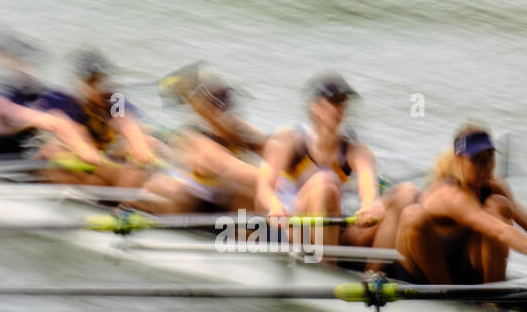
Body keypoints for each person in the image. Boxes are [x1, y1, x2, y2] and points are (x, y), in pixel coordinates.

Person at [255, 74, 416, 253]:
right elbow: (264, 187)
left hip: (332, 225)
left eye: (343, 103)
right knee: (325, 182)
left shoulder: (356, 150)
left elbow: (368, 186)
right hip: (291, 225)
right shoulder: (286, 140)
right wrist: (275, 207)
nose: (339, 109)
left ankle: (374, 274)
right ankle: (326, 269)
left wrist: (369, 205)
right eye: (334, 102)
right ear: (315, 106)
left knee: (406, 192)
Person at [395, 126, 527, 283]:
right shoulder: (451, 194)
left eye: (489, 157)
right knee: (413, 215)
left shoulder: (494, 186)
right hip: (424, 270)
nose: (485, 166)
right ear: (458, 160)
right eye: (477, 160)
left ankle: (493, 294)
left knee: (499, 205)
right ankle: (447, 295)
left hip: (461, 265)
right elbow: (500, 232)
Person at [141, 64, 267, 213]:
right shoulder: (199, 141)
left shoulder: (237, 127)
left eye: (226, 100)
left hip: (215, 196)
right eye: (220, 102)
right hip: (182, 197)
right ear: (202, 109)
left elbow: (270, 147)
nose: (227, 108)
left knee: (246, 195)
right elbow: (249, 175)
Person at [31, 50, 162, 188]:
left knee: (150, 142)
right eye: (91, 82)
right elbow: (60, 124)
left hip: (99, 159)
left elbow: (126, 123)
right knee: (52, 149)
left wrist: (139, 144)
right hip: (63, 157)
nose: (97, 88)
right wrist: (80, 147)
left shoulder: (112, 100)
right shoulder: (59, 100)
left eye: (100, 81)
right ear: (78, 81)